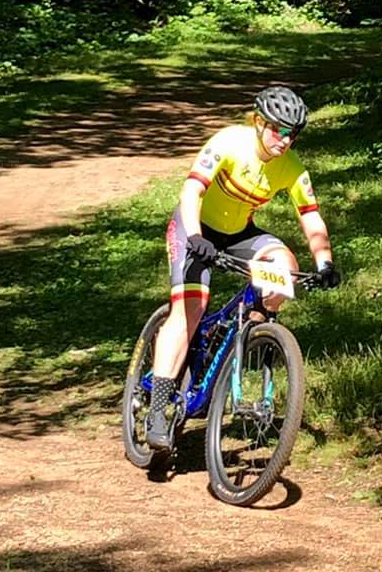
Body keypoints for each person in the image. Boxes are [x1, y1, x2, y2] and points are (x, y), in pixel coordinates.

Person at [145, 85, 340, 450]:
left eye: (293, 134)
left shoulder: (292, 167)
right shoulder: (229, 142)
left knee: (285, 272)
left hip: (239, 234)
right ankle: (157, 410)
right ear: (259, 122)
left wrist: (324, 263)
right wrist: (196, 237)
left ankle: (247, 333)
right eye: (279, 130)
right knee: (190, 309)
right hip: (194, 227)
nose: (286, 140)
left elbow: (310, 217)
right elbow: (191, 192)